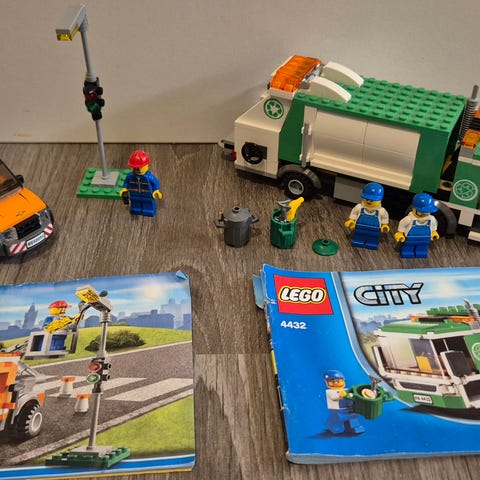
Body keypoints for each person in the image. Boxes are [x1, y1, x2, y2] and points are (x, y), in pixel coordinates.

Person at [345, 183, 389, 249]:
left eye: (372, 200)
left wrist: (384, 225)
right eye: (367, 199)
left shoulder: (381, 211)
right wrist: (351, 220)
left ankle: (371, 243)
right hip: (360, 227)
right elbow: (354, 214)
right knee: (358, 235)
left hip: (374, 229)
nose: (369, 201)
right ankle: (358, 241)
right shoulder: (359, 207)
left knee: (373, 237)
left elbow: (384, 218)